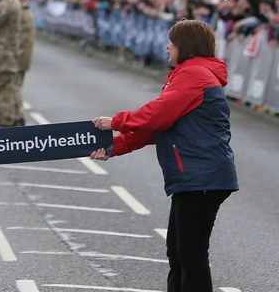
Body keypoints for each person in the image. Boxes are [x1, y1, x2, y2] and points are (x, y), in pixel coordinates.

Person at [90, 19, 238, 292]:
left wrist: (117, 121)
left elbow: (157, 114)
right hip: (196, 176)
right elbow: (159, 126)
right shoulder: (189, 74)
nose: (166, 47)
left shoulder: (194, 76)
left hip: (202, 176)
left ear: (185, 45)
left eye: (171, 42)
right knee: (179, 251)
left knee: (190, 254)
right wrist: (114, 146)